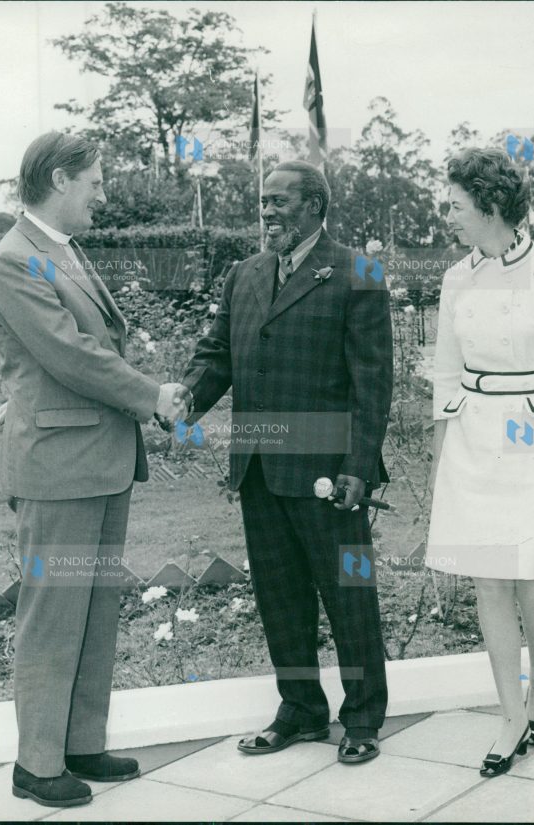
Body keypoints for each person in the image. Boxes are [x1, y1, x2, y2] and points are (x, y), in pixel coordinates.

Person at [0, 131, 189, 807]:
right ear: (58, 179)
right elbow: (70, 354)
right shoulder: (16, 259)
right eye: (95, 181)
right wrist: (151, 396)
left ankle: (79, 741)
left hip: (96, 462)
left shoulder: (60, 250)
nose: (103, 193)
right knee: (53, 613)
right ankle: (37, 763)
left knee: (95, 609)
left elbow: (84, 347)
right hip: (59, 467)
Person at [175, 160, 393, 764]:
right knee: (280, 599)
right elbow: (215, 354)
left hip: (330, 474)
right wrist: (183, 401)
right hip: (259, 469)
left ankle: (364, 718)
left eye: (280, 202)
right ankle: (299, 711)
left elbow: (373, 383)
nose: (267, 212)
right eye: (263, 202)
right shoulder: (243, 275)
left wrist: (359, 464)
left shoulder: (360, 273)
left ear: (315, 207)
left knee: (349, 593)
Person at [425, 148, 534, 777]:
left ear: (491, 206)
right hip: (475, 442)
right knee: (488, 579)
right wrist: (445, 457)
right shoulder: (456, 279)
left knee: (532, 578)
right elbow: (445, 374)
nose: (448, 216)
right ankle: (509, 714)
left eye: (457, 205)